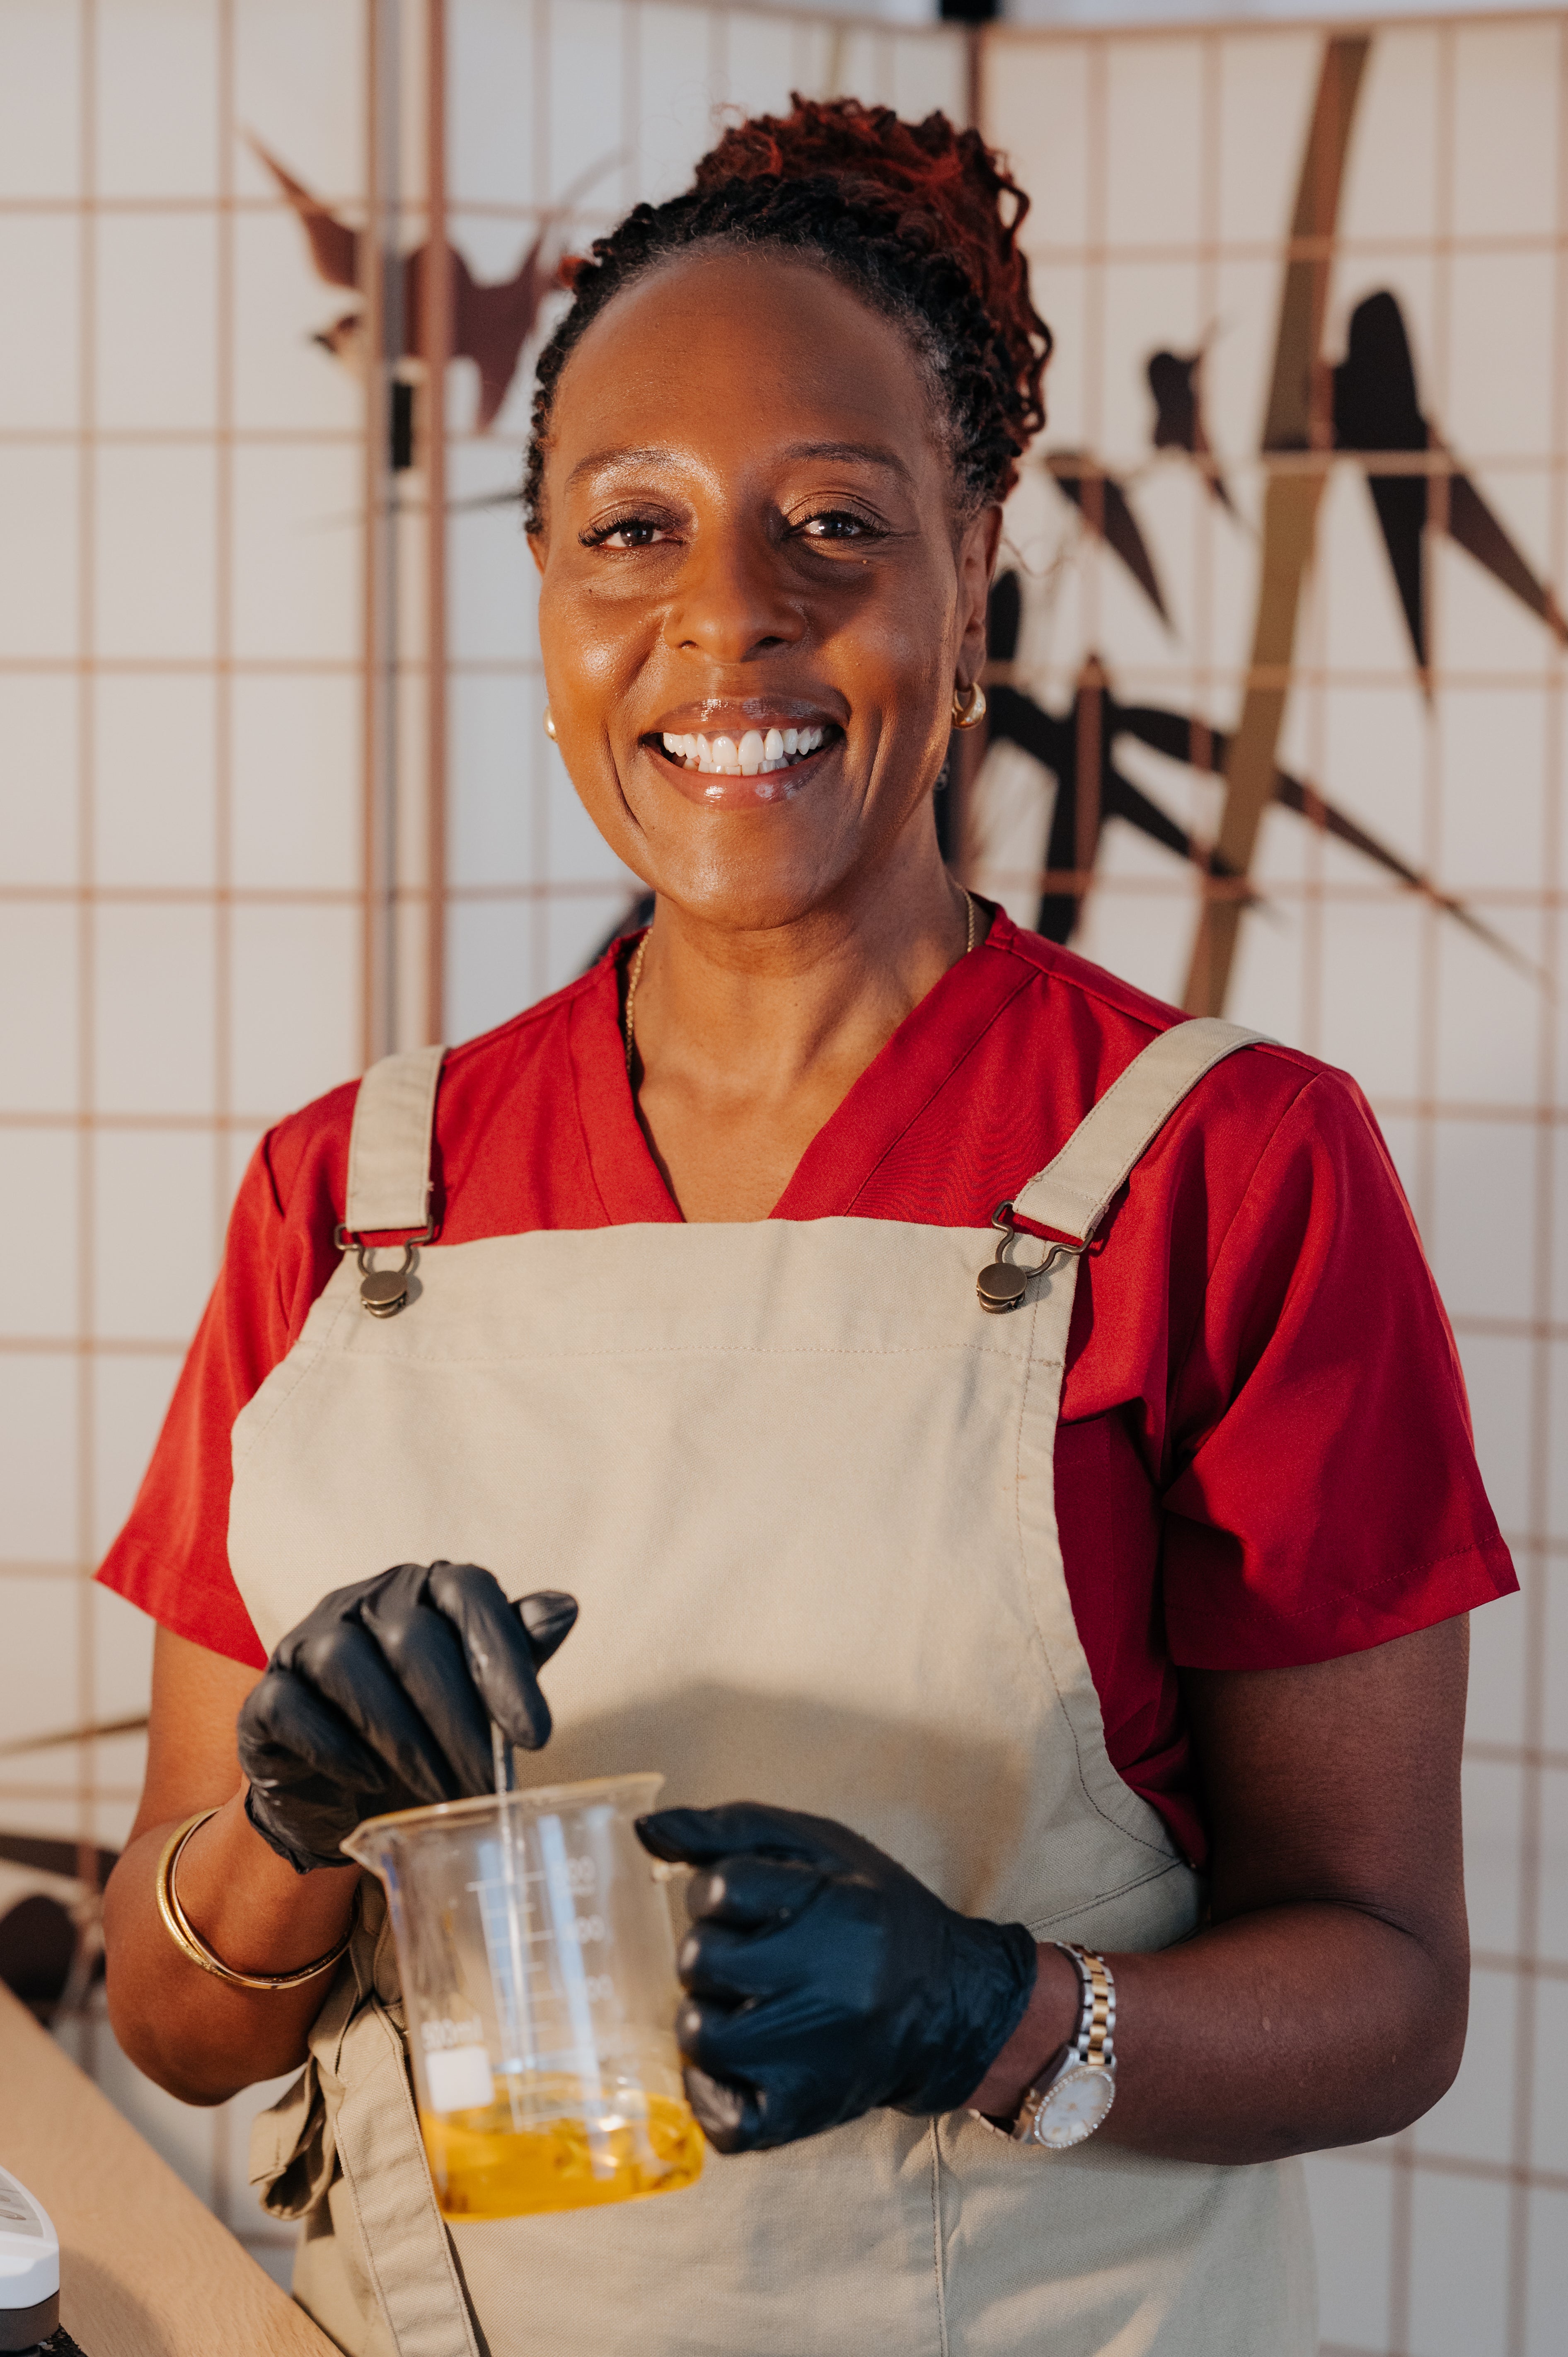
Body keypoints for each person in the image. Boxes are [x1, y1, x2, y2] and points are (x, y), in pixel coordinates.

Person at [100, 97, 1514, 2357]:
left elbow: (1385, 1987)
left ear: (976, 565)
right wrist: (283, 1823)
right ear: (550, 596)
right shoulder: (345, 1195)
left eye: (831, 526)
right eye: (625, 531)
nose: (722, 622)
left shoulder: (1221, 1162)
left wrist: (991, 2004)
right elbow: (179, 2020)